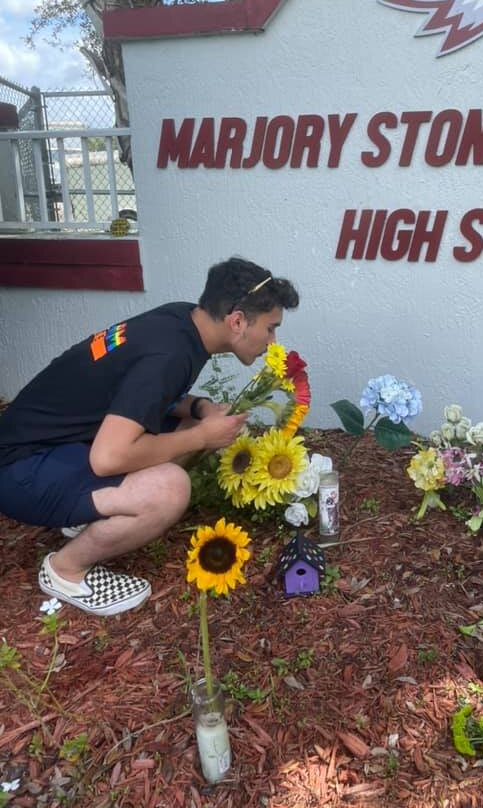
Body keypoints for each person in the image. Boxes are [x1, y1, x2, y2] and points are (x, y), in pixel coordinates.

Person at [0, 257, 299, 617]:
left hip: (50, 442)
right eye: (270, 328)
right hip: (19, 470)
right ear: (237, 321)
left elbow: (140, 393)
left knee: (187, 429)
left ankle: (88, 508)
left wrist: (199, 408)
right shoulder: (170, 355)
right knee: (169, 488)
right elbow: (107, 458)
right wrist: (203, 437)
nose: (272, 341)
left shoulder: (181, 320)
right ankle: (66, 569)